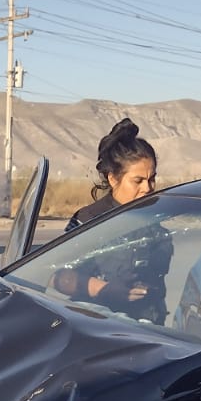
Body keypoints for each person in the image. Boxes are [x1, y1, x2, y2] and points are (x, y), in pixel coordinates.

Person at [53, 118, 172, 322]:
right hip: (96, 325)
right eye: (138, 181)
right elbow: (57, 277)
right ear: (113, 178)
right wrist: (105, 289)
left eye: (152, 179)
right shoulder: (88, 220)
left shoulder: (155, 221)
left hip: (148, 328)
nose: (148, 188)